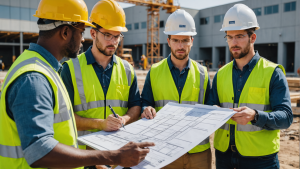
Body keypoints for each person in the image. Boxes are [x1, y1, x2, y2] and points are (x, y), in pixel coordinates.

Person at [0, 0, 154, 168]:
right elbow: (40, 151)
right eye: (81, 31)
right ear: (65, 32)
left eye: (116, 35)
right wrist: (112, 157)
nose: (83, 39)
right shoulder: (34, 78)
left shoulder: (44, 70)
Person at [206, 4, 293, 169]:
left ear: (253, 37)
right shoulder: (220, 74)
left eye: (239, 36)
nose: (234, 42)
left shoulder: (272, 73)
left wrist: (255, 116)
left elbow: (286, 117)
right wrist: (213, 112)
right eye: (229, 37)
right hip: (224, 156)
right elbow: (211, 105)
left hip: (260, 160)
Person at [141, 9, 212, 169]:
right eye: (176, 40)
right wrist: (146, 109)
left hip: (198, 152)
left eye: (185, 40)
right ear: (168, 41)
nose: (181, 46)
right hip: (163, 150)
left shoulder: (203, 73)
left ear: (192, 41)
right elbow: (145, 102)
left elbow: (210, 107)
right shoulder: (154, 71)